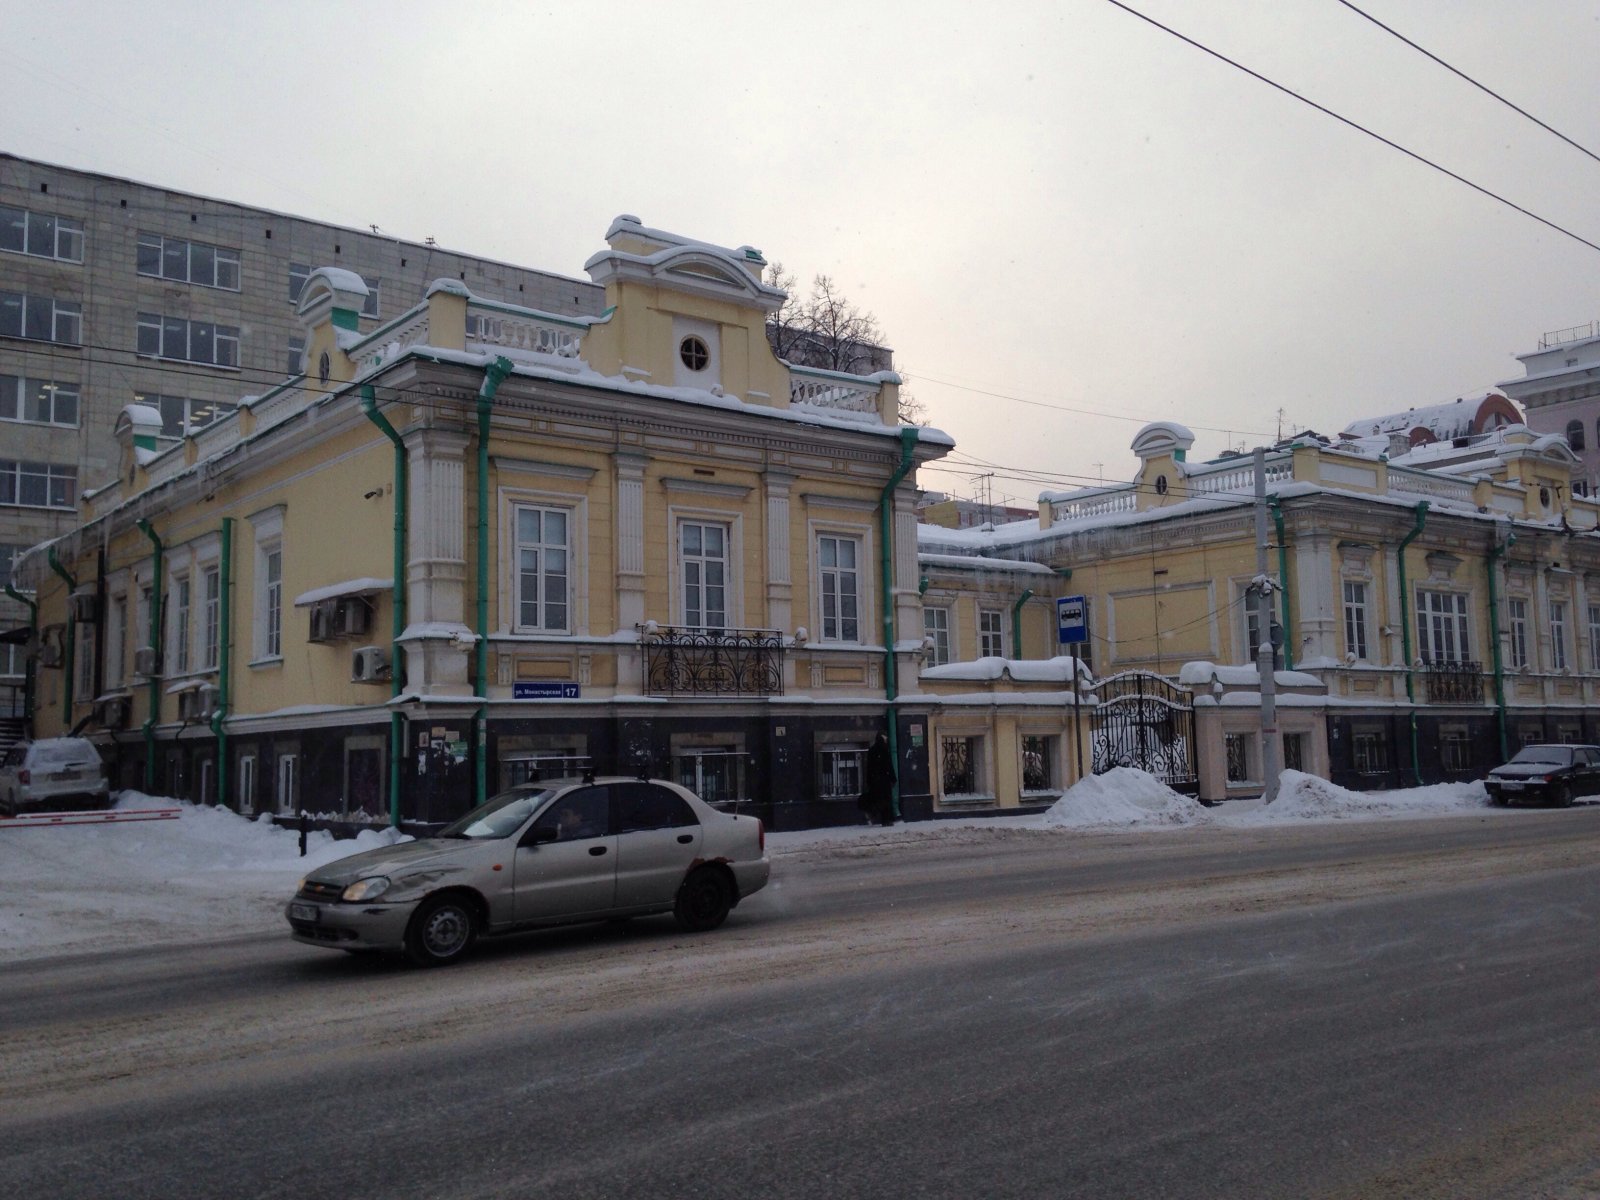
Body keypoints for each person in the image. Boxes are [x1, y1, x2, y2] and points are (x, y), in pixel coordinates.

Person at [861, 732, 897, 826]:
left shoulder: (872, 750)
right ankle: (886, 820)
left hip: (875, 780)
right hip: (884, 779)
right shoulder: (884, 749)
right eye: (885, 738)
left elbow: (869, 767)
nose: (886, 739)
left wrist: (869, 780)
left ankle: (873, 816)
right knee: (886, 800)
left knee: (877, 799)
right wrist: (893, 778)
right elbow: (889, 765)